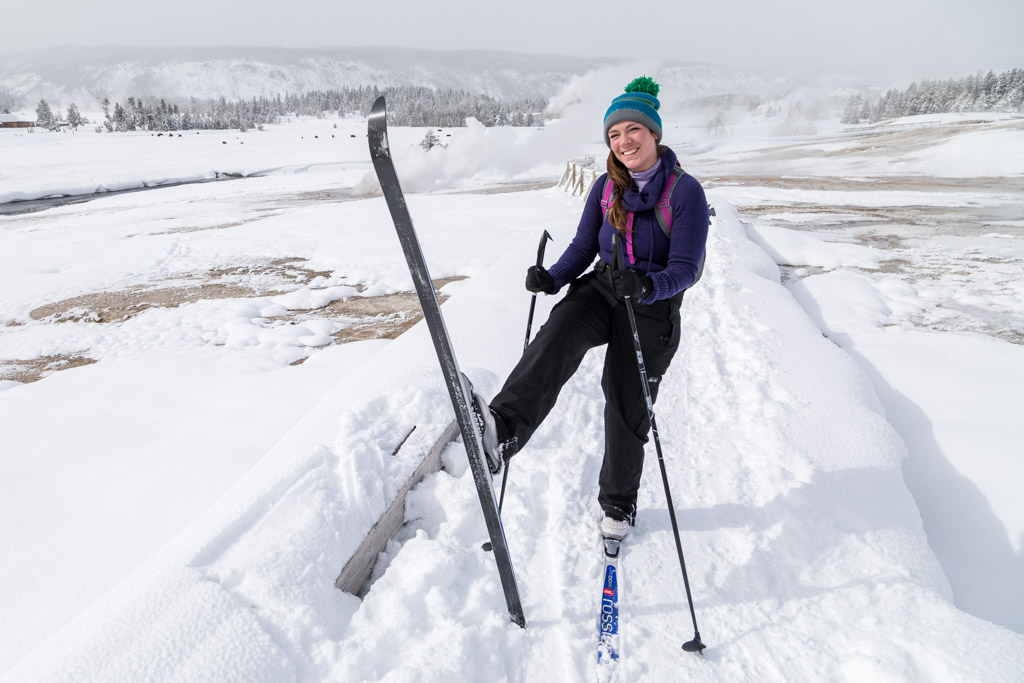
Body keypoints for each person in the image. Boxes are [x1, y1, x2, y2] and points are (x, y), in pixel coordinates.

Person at [476, 76, 710, 541]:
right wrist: (554, 277)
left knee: (626, 402)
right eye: (614, 135)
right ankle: (502, 431)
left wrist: (648, 284)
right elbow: (584, 245)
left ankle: (619, 506)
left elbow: (688, 267)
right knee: (559, 331)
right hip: (604, 288)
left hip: (652, 305)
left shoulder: (685, 192)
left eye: (632, 131)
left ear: (654, 134)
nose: (623, 142)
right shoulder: (606, 186)